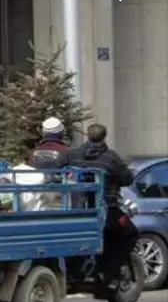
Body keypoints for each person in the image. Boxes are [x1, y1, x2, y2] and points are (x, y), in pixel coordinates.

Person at [43, 123, 136, 290]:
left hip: (77, 209)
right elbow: (128, 179)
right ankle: (109, 274)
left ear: (87, 136)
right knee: (129, 234)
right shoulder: (111, 157)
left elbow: (51, 168)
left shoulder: (72, 154)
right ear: (104, 136)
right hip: (106, 209)